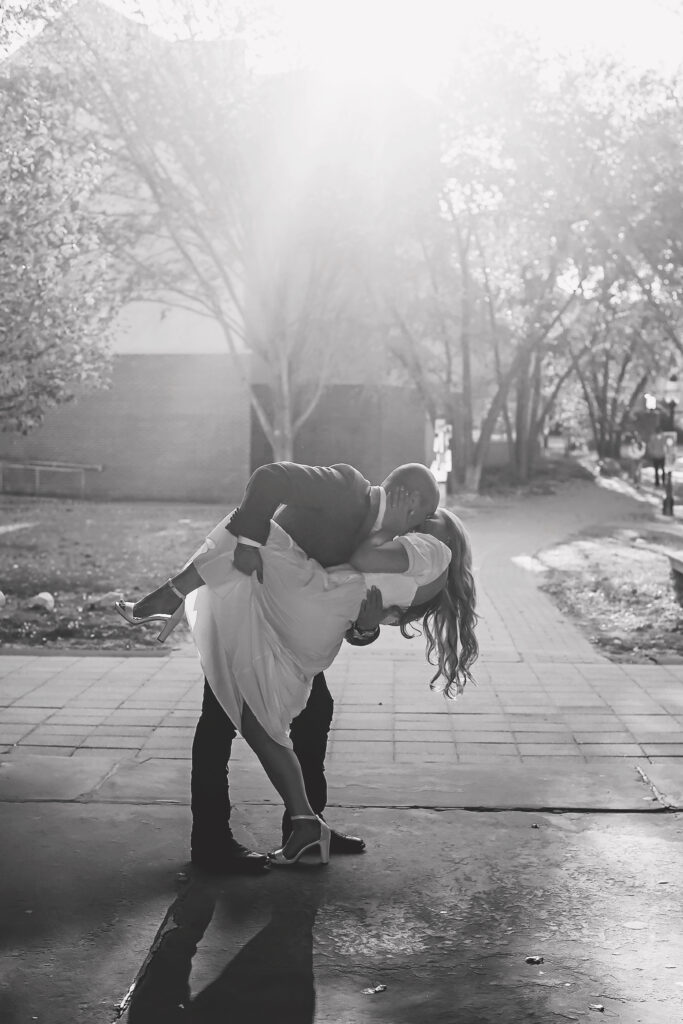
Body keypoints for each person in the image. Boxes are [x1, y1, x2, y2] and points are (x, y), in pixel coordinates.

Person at [118, 462, 475, 870]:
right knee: (220, 718)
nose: (417, 528)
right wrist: (250, 543)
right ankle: (212, 841)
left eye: (427, 523)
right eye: (422, 518)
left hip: (295, 616)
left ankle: (305, 823)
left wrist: (364, 627)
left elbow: (365, 604)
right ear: (409, 502)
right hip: (250, 601)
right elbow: (269, 479)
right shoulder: (346, 487)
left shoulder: (399, 543)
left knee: (314, 712)